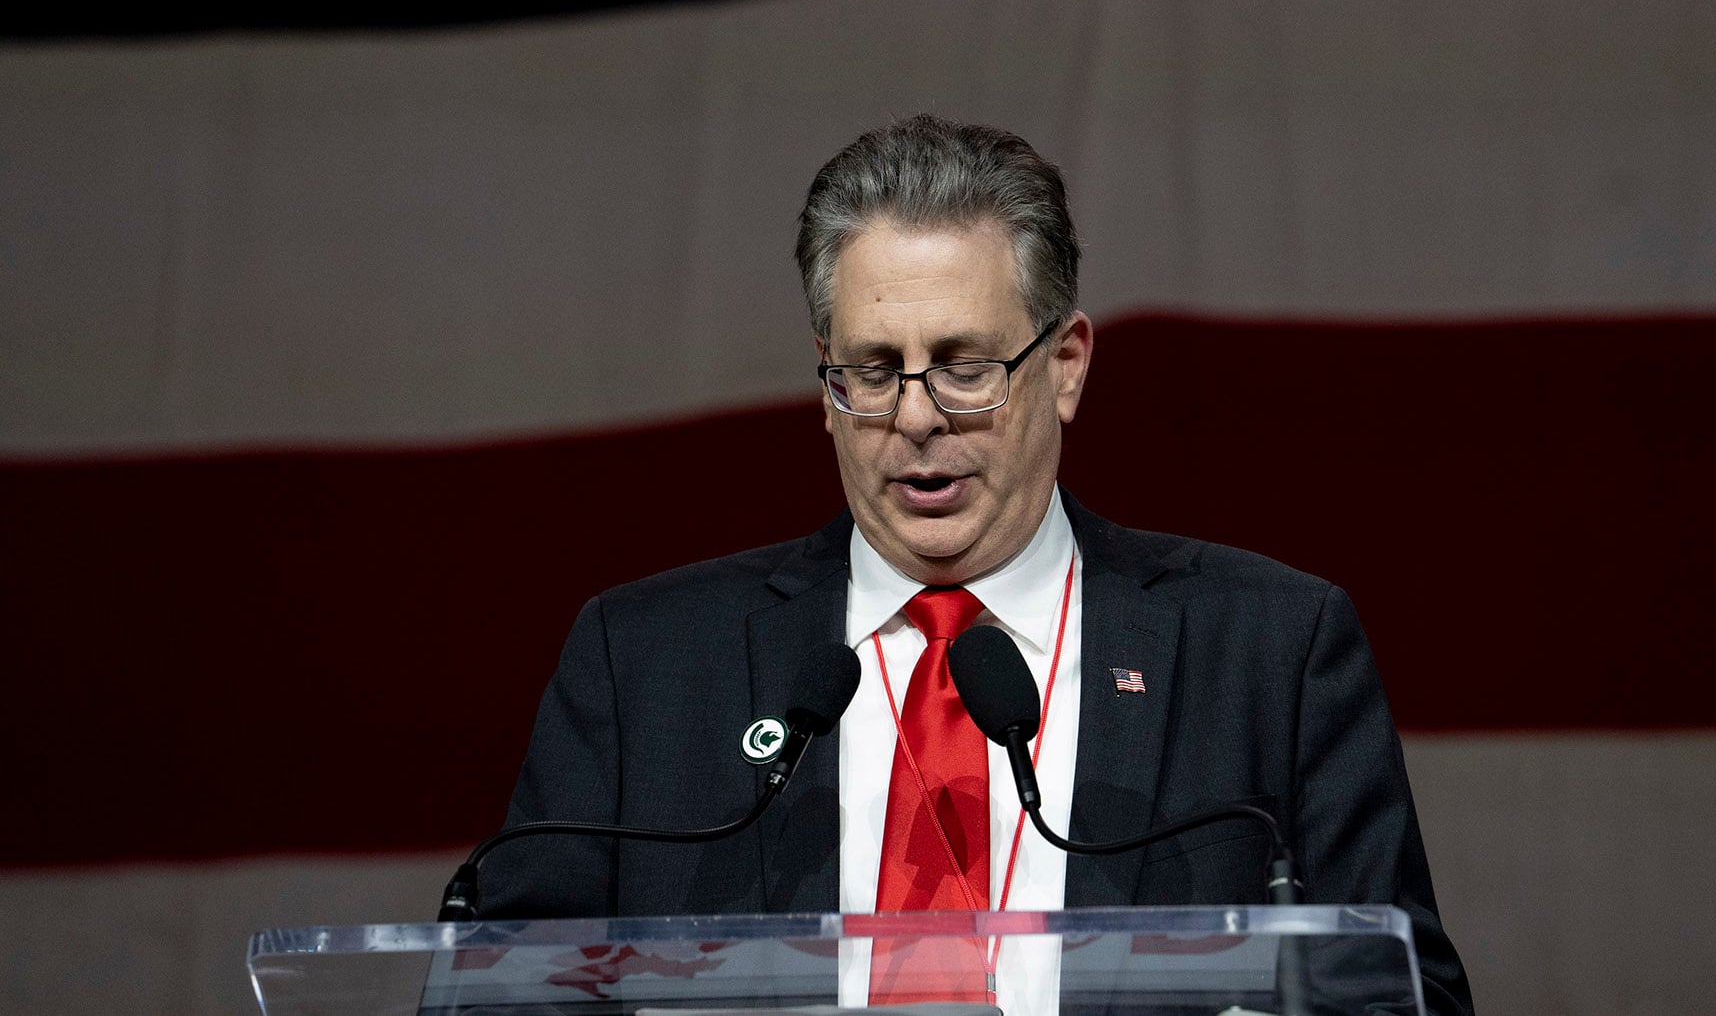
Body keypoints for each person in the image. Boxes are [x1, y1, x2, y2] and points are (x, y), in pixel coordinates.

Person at [482, 114, 1473, 1013]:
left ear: (1067, 363)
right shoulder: (643, 662)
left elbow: (1401, 996)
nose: (915, 416)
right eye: (872, 370)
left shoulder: (1268, 653)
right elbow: (502, 994)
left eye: (964, 366)